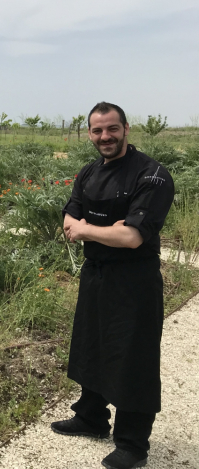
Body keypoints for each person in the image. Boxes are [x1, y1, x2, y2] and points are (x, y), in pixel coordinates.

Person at [53, 102, 174, 469]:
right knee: (91, 344)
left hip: (135, 279)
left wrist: (88, 229)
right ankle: (91, 418)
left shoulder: (152, 175)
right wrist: (105, 230)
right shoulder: (88, 172)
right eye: (97, 130)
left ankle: (133, 443)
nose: (105, 137)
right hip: (97, 273)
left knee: (132, 357)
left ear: (126, 129)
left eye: (112, 129)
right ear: (89, 133)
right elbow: (68, 216)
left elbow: (132, 237)